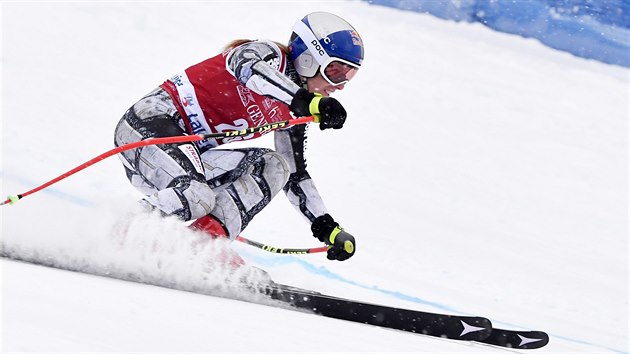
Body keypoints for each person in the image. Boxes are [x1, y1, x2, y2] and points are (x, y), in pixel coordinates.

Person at [114, 12, 363, 264]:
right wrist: (306, 102)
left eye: (349, 75)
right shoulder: (268, 55)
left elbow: (296, 174)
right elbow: (245, 67)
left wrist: (326, 226)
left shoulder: (294, 106)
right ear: (309, 58)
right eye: (335, 71)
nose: (340, 85)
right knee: (196, 195)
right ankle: (119, 234)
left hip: (188, 159)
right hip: (147, 125)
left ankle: (201, 247)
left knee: (275, 166)